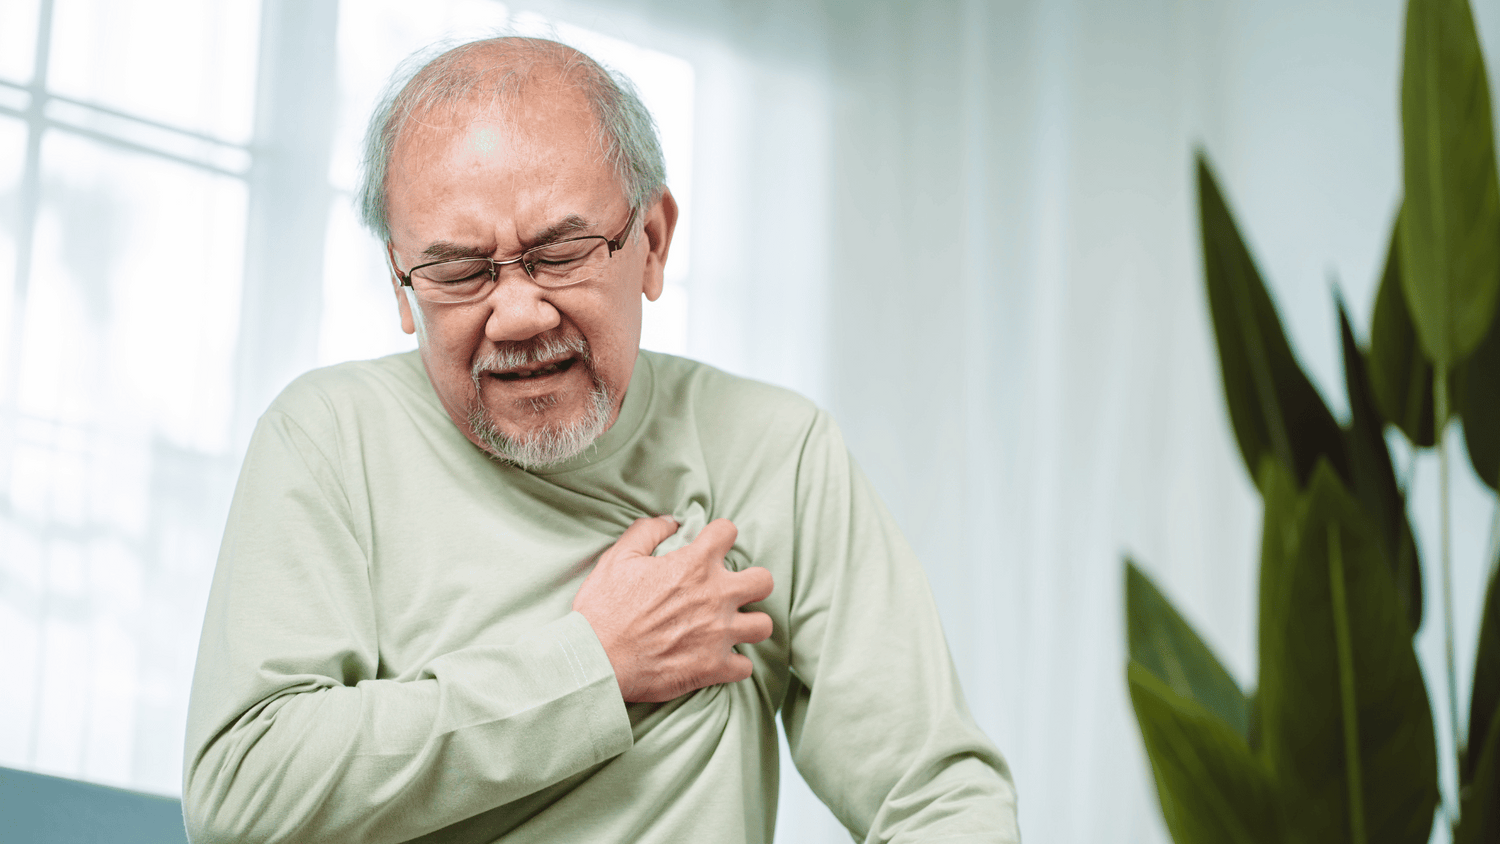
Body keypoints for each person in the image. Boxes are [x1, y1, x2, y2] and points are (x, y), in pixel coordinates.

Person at [182, 36, 1019, 844]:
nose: (517, 315)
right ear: (402, 287)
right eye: (458, 272)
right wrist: (593, 667)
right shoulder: (329, 437)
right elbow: (242, 789)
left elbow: (936, 795)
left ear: (652, 242)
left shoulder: (775, 451)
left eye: (559, 253)